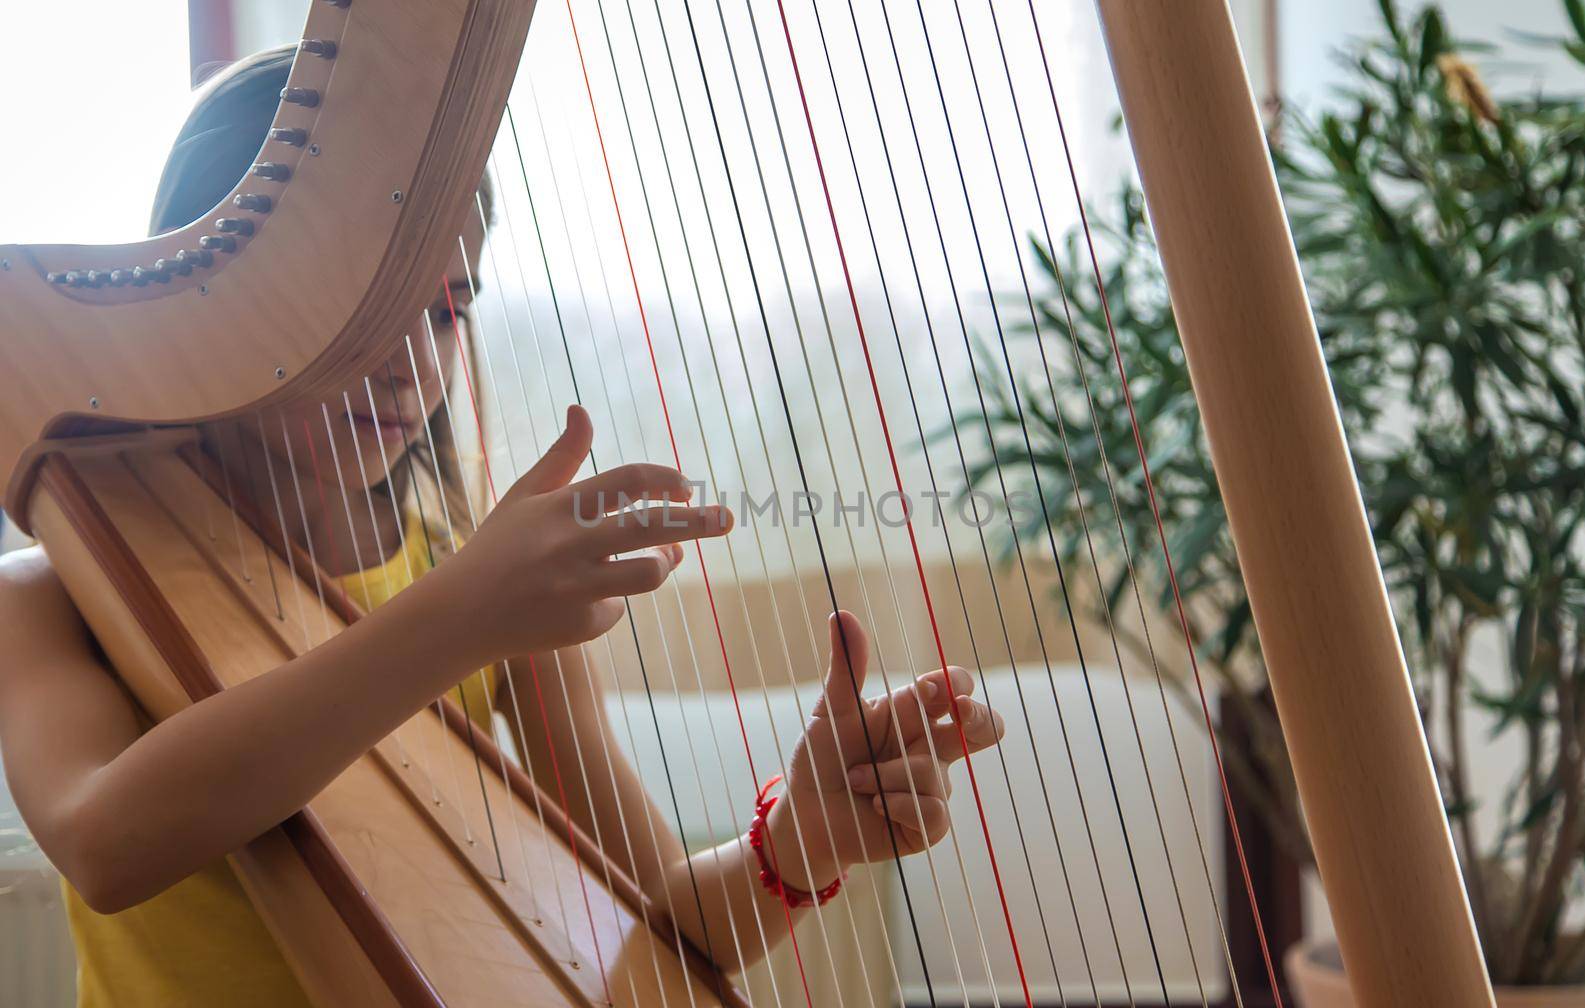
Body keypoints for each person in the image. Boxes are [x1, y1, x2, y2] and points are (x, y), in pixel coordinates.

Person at [0, 46, 1004, 1007]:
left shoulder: (469, 570)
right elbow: (104, 844)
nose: (412, 365)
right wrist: (457, 618)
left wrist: (801, 840)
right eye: (366, 308)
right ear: (221, 309)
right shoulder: (48, 594)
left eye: (447, 310)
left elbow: (671, 927)